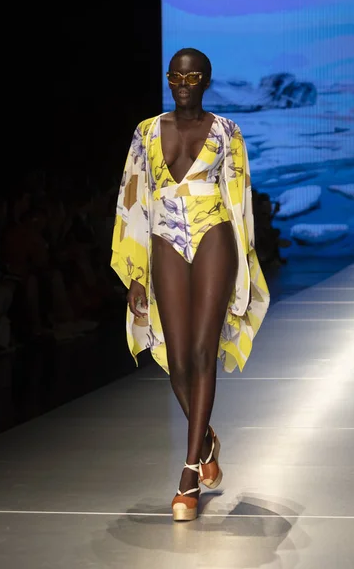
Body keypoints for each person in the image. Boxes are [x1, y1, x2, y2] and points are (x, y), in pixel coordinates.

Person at [111, 48, 270, 521]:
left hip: (214, 234)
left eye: (193, 75)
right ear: (169, 79)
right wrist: (136, 273)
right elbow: (132, 197)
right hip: (162, 237)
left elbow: (238, 198)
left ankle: (188, 473)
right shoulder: (145, 132)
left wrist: (244, 263)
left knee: (202, 351)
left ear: (206, 80)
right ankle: (206, 440)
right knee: (176, 356)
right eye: (176, 75)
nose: (183, 82)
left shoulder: (226, 132)